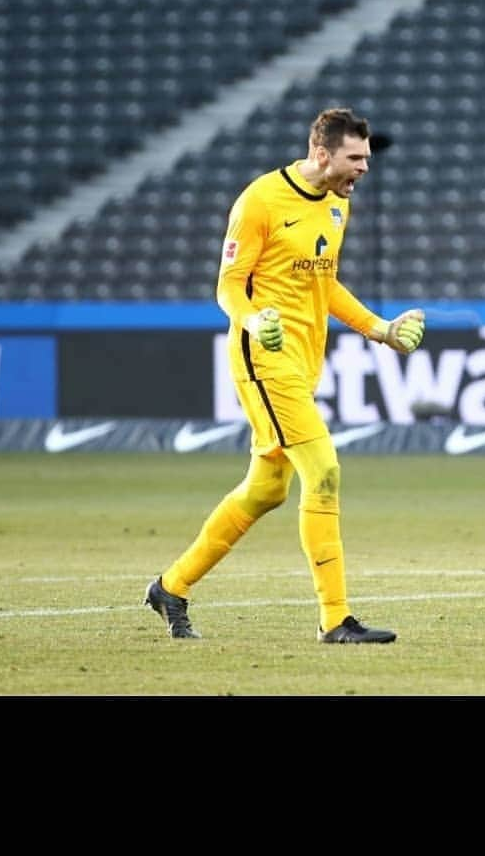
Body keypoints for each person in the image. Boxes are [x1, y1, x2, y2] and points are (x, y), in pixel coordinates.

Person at [144, 107, 425, 643]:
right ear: (322, 153)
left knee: (266, 490)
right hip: (263, 359)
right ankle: (335, 619)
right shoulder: (260, 201)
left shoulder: (337, 208)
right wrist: (255, 320)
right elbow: (228, 286)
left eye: (366, 158)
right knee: (323, 470)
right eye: (355, 158)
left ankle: (170, 587)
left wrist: (379, 329)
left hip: (302, 360)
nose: (364, 168)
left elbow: (326, 283)